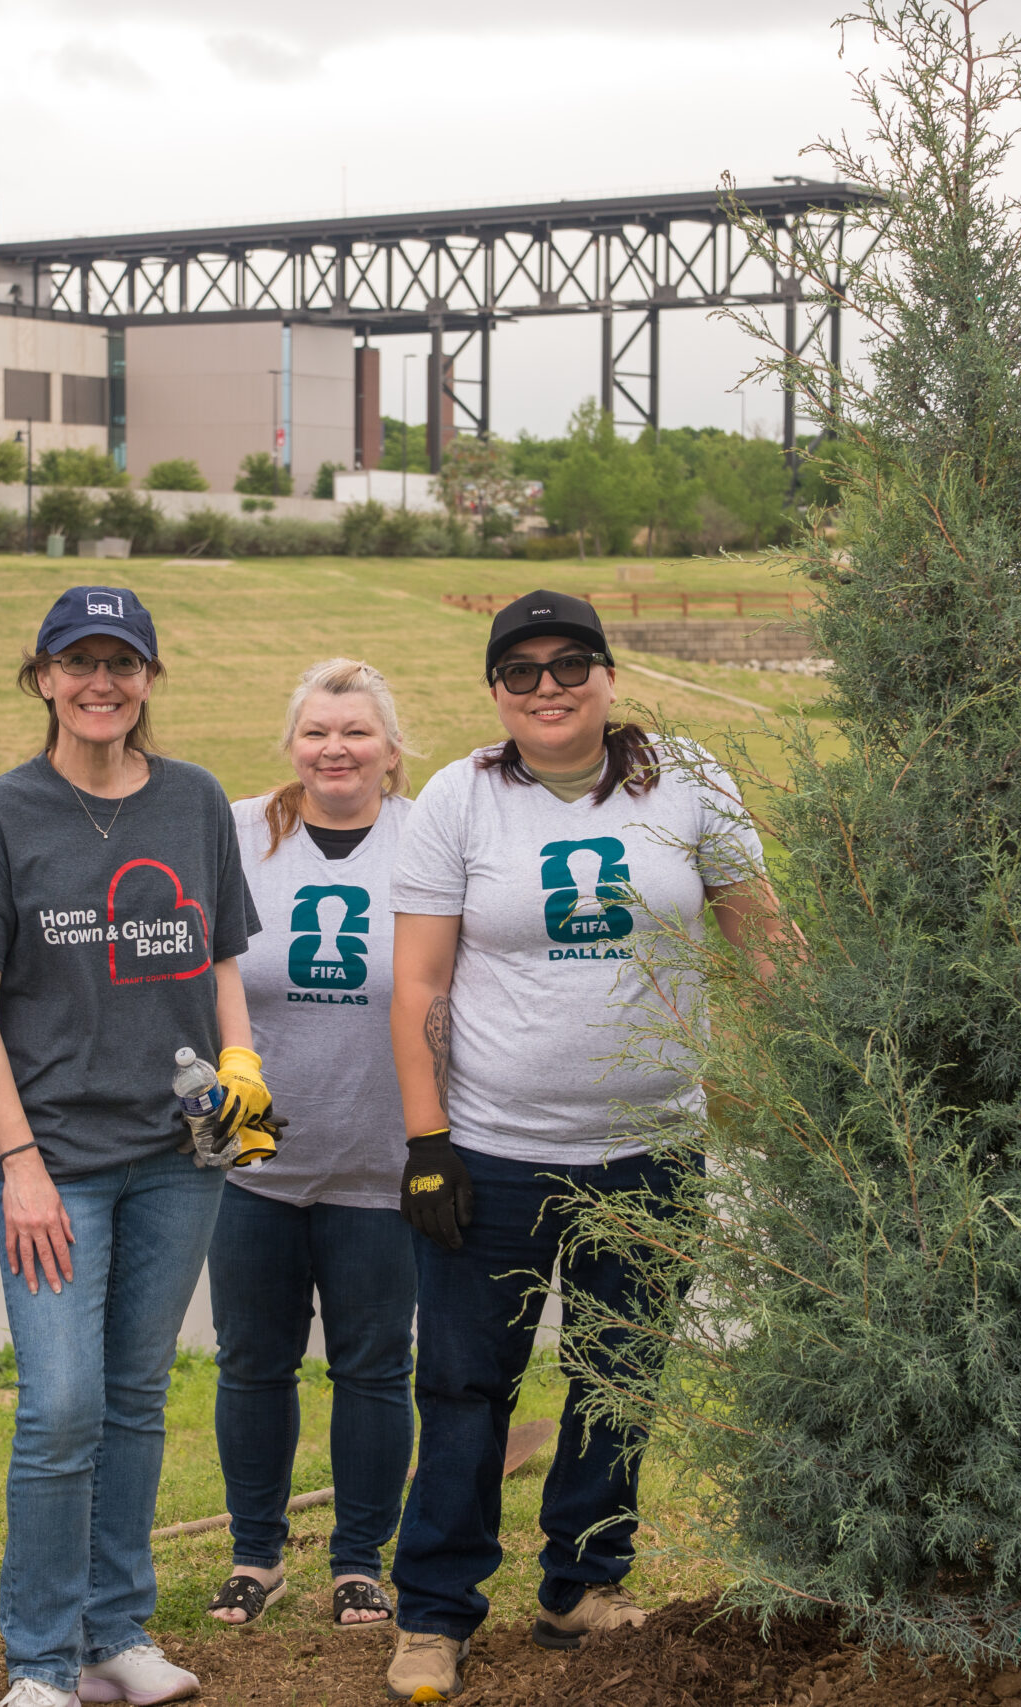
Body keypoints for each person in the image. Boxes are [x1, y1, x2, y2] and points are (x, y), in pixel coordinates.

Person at [380, 590, 780, 1701]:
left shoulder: (687, 779)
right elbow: (418, 983)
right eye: (521, 671)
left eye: (570, 665)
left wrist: (824, 1069)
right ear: (494, 689)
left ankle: (583, 1587)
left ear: (608, 675)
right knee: (464, 1385)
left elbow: (761, 936)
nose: (547, 688)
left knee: (618, 1376)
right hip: (493, 1151)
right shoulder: (459, 797)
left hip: (652, 1148)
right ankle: (435, 1611)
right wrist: (426, 1141)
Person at [0, 586, 270, 1707]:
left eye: (122, 662)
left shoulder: (195, 799)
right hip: (57, 1159)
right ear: (43, 677)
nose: (101, 682)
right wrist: (17, 1163)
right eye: (79, 662)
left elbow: (219, 959)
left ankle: (115, 1632)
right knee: (61, 1406)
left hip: (182, 1155)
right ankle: (39, 1661)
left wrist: (242, 1067)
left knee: (134, 1397)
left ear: (150, 678)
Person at [206, 660, 418, 1631]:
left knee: (374, 1366)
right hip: (252, 1158)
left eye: (356, 731)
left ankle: (358, 1564)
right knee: (252, 1360)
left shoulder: (425, 836)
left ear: (391, 748)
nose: (336, 749)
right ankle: (256, 1555)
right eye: (317, 731)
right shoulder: (238, 831)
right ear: (291, 744)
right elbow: (187, 966)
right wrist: (208, 1107)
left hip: (384, 1155)